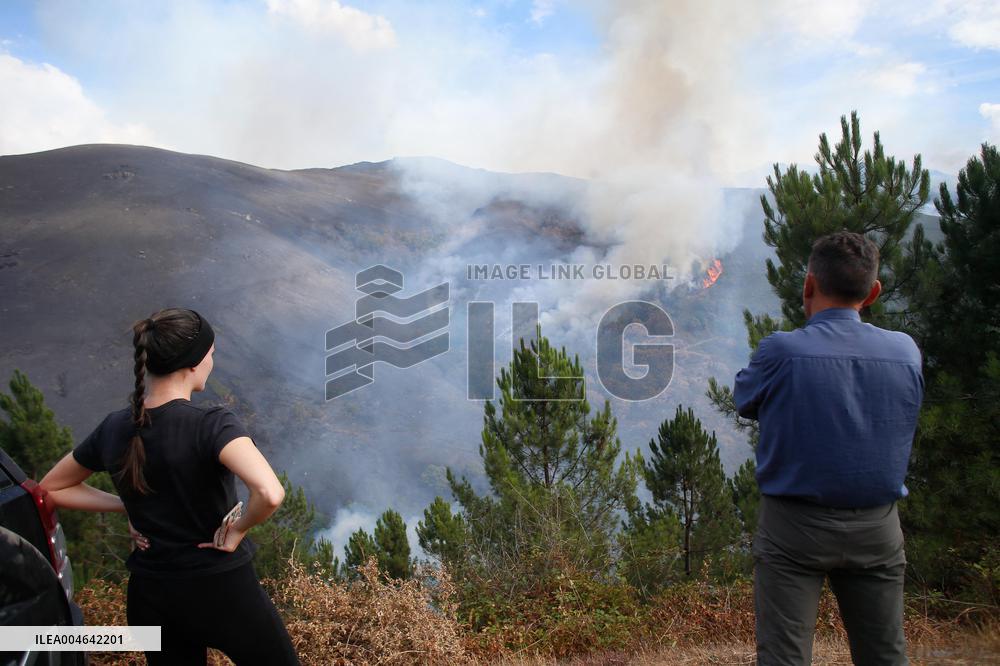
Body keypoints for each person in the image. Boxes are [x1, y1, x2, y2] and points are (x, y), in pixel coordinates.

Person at [39, 308, 301, 666]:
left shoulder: (114, 427)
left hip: (152, 593)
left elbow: (51, 487)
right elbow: (270, 493)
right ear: (193, 363)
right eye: (212, 353)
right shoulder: (211, 424)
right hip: (221, 590)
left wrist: (128, 507)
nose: (213, 359)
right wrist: (238, 530)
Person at [734, 231, 924, 666]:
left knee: (783, 655)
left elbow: (744, 400)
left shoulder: (781, 350)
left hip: (793, 529)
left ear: (808, 285)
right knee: (885, 654)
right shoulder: (906, 352)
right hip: (878, 528)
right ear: (873, 292)